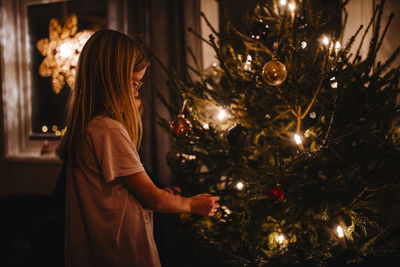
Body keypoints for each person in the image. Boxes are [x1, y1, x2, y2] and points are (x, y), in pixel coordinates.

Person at [58, 29, 220, 267]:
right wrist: (191, 204)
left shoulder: (88, 127)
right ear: (110, 79)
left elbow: (120, 191)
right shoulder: (109, 130)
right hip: (122, 254)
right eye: (133, 83)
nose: (136, 92)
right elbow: (153, 199)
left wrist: (161, 192)